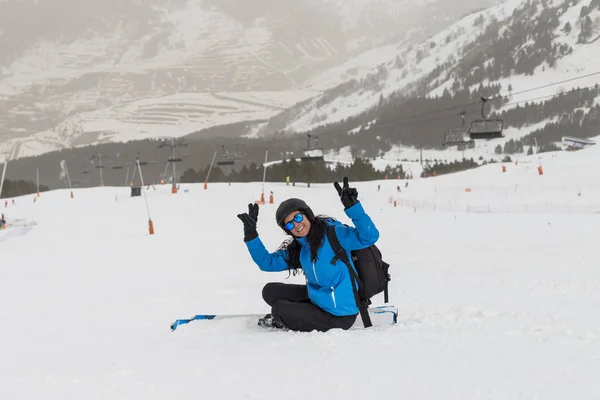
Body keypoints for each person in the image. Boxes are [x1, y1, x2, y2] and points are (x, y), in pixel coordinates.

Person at [237, 177, 380, 332]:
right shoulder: (300, 249)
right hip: (318, 301)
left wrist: (353, 208)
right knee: (270, 291)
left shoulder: (334, 234)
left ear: (307, 215)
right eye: (290, 224)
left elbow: (369, 237)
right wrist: (251, 234)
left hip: (339, 314)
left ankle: (288, 318)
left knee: (279, 310)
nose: (296, 224)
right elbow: (267, 263)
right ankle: (301, 312)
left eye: (297, 217)